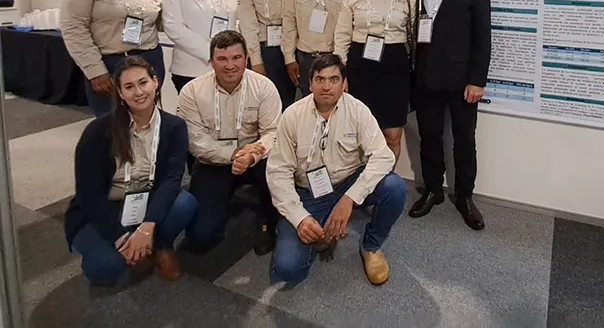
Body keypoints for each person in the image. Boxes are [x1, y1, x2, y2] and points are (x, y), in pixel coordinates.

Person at [267, 54, 407, 286]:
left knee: (395, 187)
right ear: (310, 83)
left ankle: (371, 246)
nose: (326, 87)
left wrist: (350, 198)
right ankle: (321, 234)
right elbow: (278, 172)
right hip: (309, 192)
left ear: (344, 84)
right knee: (288, 269)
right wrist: (300, 219)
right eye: (320, 79)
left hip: (349, 182)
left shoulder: (358, 110)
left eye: (333, 80)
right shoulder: (292, 116)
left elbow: (383, 156)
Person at [64, 57, 197, 286]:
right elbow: (89, 195)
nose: (138, 92)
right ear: (120, 93)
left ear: (155, 82)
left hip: (147, 200)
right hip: (105, 207)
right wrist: (121, 238)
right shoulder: (98, 131)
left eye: (143, 82)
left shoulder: (174, 127)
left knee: (185, 203)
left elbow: (171, 180)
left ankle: (160, 245)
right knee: (104, 267)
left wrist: (147, 227)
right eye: (129, 86)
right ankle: (132, 246)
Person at [408, 0, 491, 231]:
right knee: (429, 138)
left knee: (464, 141)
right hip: (426, 78)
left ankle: (465, 197)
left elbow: (483, 36)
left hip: (462, 82)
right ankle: (433, 190)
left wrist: (477, 80)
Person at [176, 30, 282, 255]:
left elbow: (273, 132)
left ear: (246, 58)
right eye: (222, 59)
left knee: (277, 171)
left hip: (256, 159)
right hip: (213, 161)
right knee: (201, 236)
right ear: (211, 61)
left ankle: (266, 220)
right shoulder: (191, 92)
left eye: (236, 58)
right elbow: (195, 141)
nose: (230, 65)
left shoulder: (264, 87)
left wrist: (252, 155)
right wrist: (234, 155)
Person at [61, 0, 164, 117]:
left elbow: (159, 23)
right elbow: (73, 26)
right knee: (112, 125)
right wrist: (94, 70)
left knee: (146, 122)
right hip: (109, 64)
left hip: (149, 61)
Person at [334, 0, 416, 164]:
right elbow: (342, 36)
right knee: (359, 133)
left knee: (392, 135)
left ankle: (385, 181)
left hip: (395, 70)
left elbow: (415, 38)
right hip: (361, 69)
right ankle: (361, 181)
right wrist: (341, 73)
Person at [237, 0, 296, 110]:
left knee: (287, 101)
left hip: (288, 50)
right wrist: (257, 62)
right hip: (263, 51)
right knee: (263, 103)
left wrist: (291, 58)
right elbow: (248, 28)